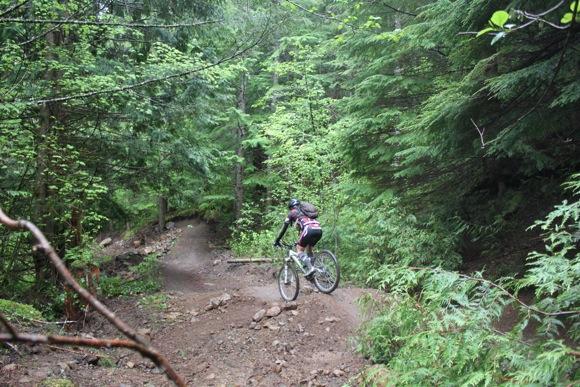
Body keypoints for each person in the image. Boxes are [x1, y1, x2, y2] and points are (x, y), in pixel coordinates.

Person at [273, 198, 322, 278]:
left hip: (308, 230)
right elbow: (302, 227)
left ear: (291, 207)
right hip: (318, 229)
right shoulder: (306, 212)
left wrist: (277, 240)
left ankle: (311, 268)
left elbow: (284, 228)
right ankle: (313, 272)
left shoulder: (292, 213)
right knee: (309, 249)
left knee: (299, 250)